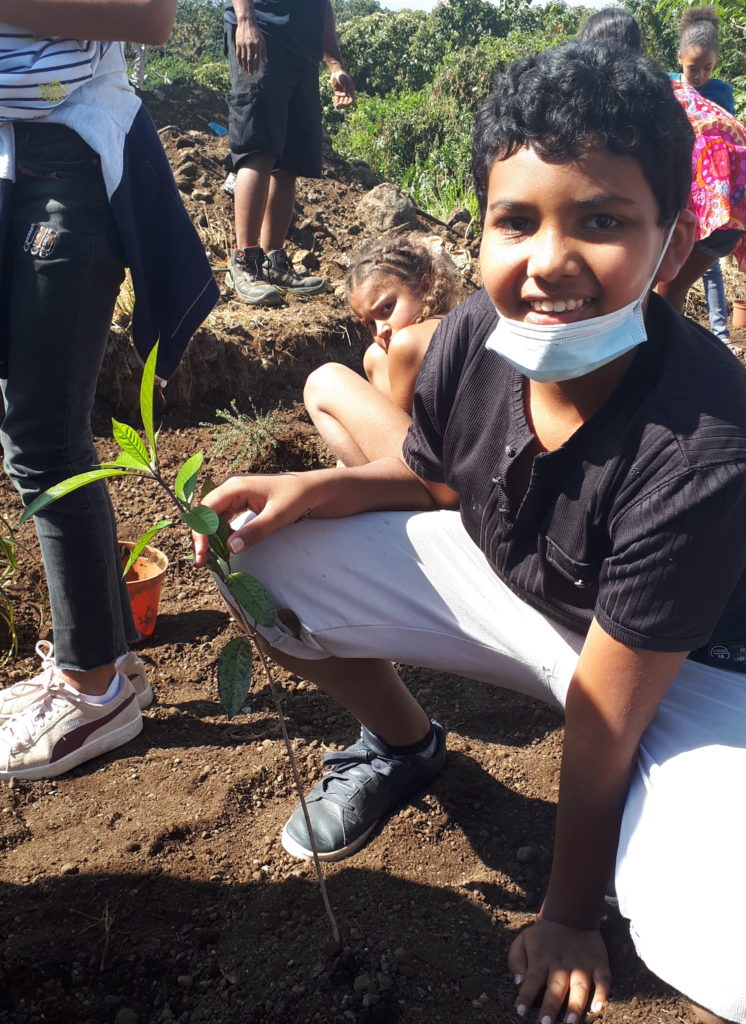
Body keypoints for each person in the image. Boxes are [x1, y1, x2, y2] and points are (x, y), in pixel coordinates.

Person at [195, 42, 746, 1023]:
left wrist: (568, 915)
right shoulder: (468, 342)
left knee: (713, 934)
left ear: (669, 246)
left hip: (691, 667)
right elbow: (434, 479)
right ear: (480, 230)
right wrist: (301, 492)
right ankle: (402, 746)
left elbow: (608, 711)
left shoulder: (703, 445)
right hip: (537, 595)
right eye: (515, 220)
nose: (547, 262)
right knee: (257, 554)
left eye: (602, 221)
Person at [0, 1, 219, 780]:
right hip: (16, 152)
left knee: (45, 433)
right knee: (27, 425)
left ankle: (96, 685)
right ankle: (91, 659)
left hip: (66, 152)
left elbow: (149, 15)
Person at [581, 7, 746, 349]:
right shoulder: (659, 85)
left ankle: (668, 371)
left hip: (716, 206)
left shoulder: (633, 96)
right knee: (659, 294)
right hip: (732, 207)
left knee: (655, 298)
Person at [223, 0, 355, 307]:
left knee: (290, 160)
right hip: (262, 34)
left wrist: (334, 63)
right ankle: (245, 260)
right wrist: (245, 21)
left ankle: (272, 260)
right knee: (259, 147)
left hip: (303, 50)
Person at [304, 233, 458, 466]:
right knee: (376, 356)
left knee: (321, 382)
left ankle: (374, 486)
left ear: (425, 287)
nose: (380, 330)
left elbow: (401, 422)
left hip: (443, 476)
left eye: (387, 308)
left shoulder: (408, 342)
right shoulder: (457, 323)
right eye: (370, 324)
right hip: (466, 465)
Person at [672, 7, 736, 344]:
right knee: (671, 268)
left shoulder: (721, 93)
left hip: (709, 195)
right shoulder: (667, 88)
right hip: (680, 189)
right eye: (692, 68)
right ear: (679, 57)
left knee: (710, 267)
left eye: (707, 68)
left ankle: (721, 333)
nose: (699, 76)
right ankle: (671, 329)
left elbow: (728, 136)